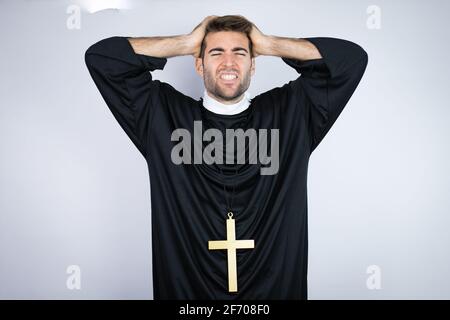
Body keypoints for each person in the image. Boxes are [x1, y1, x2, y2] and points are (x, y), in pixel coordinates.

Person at [85, 15, 368, 300]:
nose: (229, 63)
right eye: (216, 52)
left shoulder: (292, 113)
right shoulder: (162, 116)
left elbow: (350, 60)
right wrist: (184, 43)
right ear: (198, 64)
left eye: (240, 53)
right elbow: (102, 58)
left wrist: (269, 43)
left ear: (253, 64)